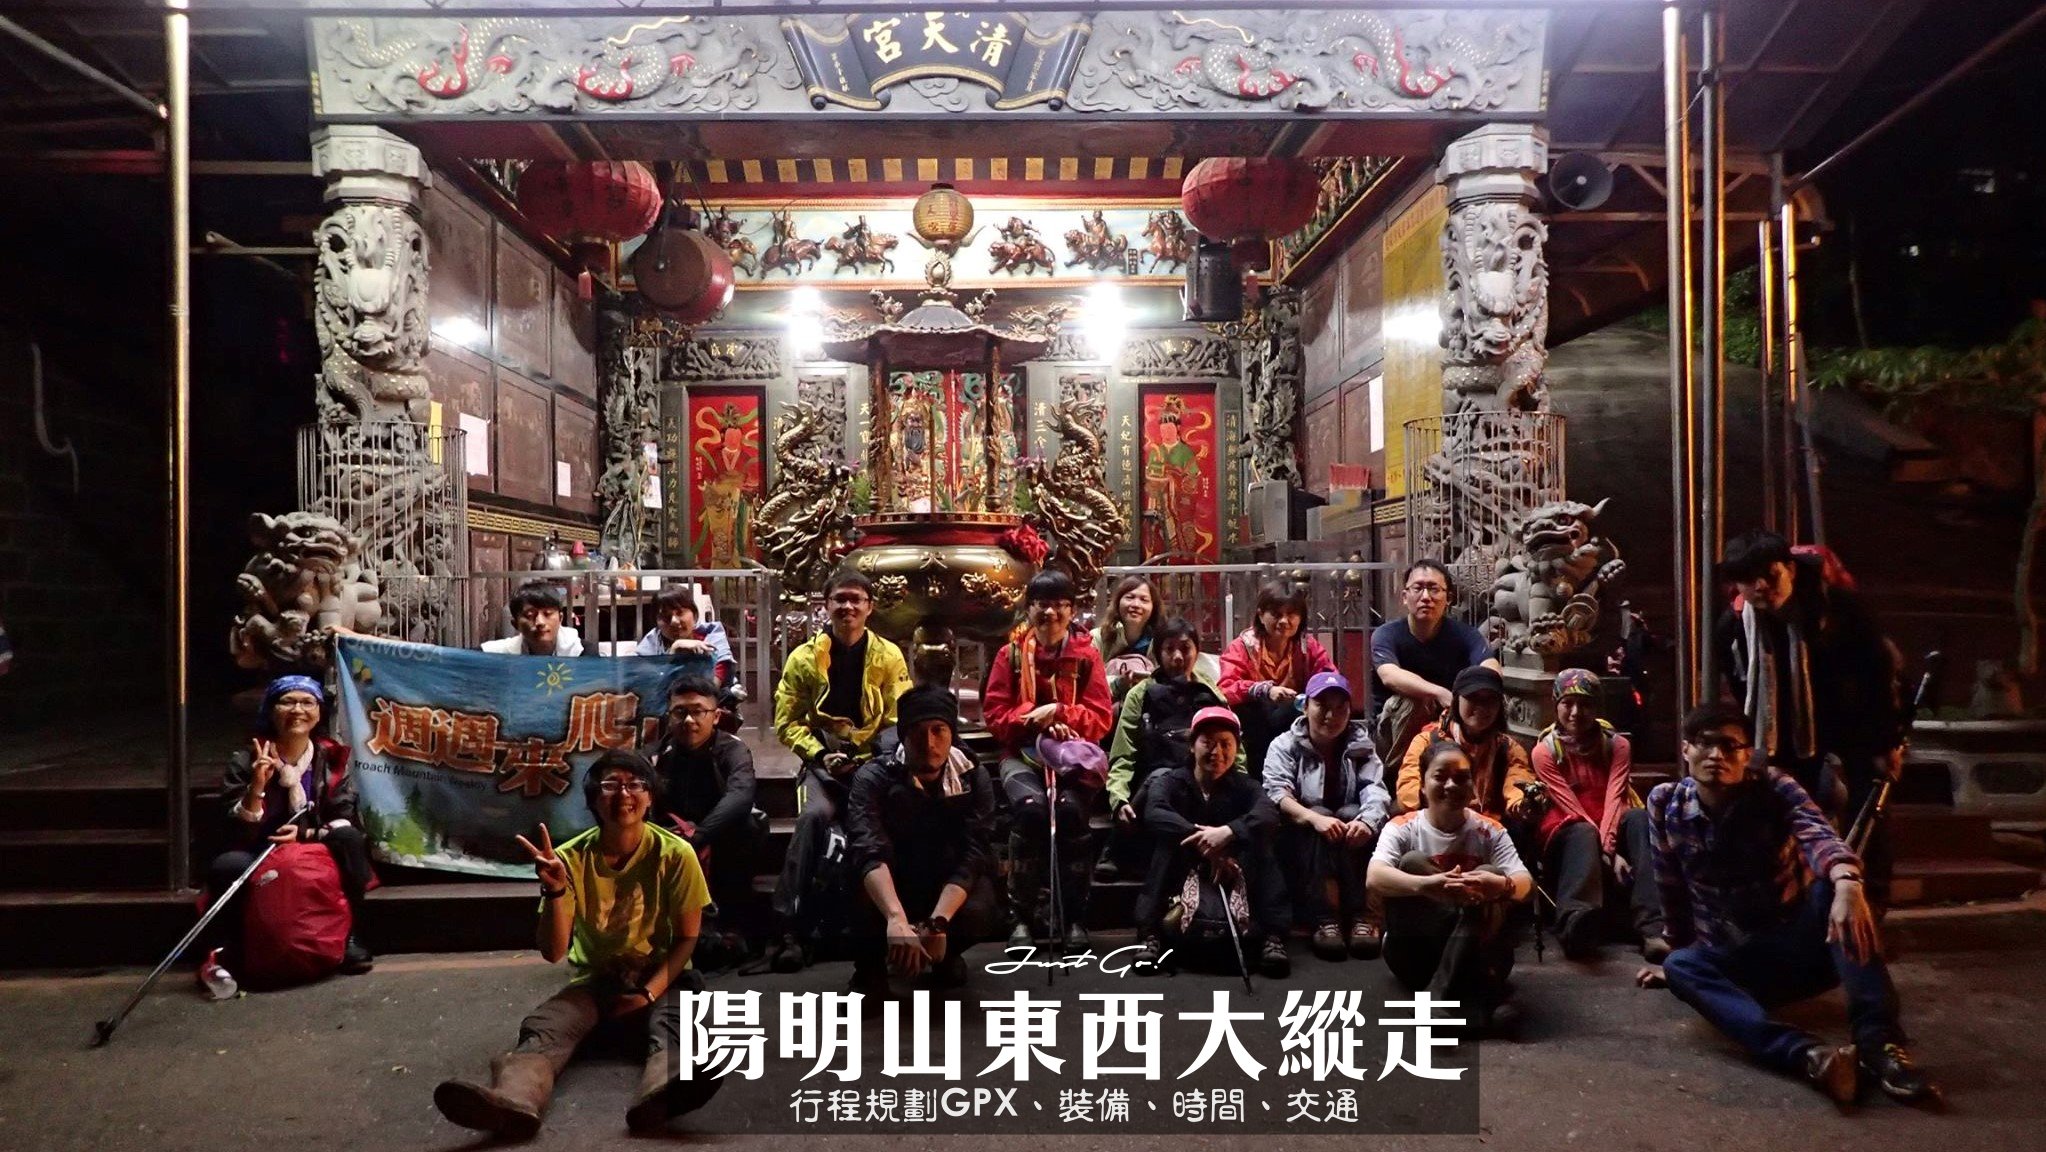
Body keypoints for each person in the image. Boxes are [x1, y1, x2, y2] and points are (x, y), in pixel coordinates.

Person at [1640, 703, 1937, 1105]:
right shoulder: (1665, 803)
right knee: (1680, 965)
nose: (1716, 756)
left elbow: (1819, 836)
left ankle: (1878, 1043)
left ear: (1747, 754)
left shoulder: (1774, 786)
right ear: (1686, 749)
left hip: (1801, 947)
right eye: (1704, 744)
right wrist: (1680, 965)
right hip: (1741, 961)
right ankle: (1808, 1056)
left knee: (1834, 890)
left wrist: (1848, 883)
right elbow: (1671, 888)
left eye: (1730, 746)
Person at [433, 750, 720, 1138]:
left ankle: (662, 1097)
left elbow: (687, 938)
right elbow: (553, 951)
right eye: (610, 785)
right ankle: (511, 1102)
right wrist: (554, 890)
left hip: (663, 980)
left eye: (635, 784)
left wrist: (647, 995)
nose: (624, 794)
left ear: (650, 796)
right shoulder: (568, 859)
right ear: (594, 799)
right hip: (598, 980)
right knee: (545, 1027)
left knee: (674, 1026)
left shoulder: (676, 854)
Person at [1714, 531, 1907, 907]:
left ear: (1790, 569)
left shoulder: (1837, 608)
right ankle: (1801, 906)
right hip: (1783, 736)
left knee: (1866, 816)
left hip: (1855, 727)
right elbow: (1740, 688)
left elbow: (1877, 673)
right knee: (1784, 817)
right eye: (1749, 579)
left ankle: (1869, 907)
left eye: (1770, 575)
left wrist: (1886, 740)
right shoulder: (1734, 627)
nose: (1761, 586)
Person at [768, 570, 912, 972]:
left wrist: (873, 757)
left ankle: (897, 921)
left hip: (873, 764)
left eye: (856, 599)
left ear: (870, 606)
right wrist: (820, 754)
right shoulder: (803, 659)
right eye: (840, 599)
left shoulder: (888, 656)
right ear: (826, 605)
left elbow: (898, 718)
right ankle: (788, 928)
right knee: (812, 818)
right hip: (822, 766)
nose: (848, 607)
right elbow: (787, 722)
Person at [208, 675, 375, 981]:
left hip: (313, 845)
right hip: (261, 847)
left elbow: (344, 814)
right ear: (271, 711)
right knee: (227, 865)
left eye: (307, 702)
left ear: (319, 713)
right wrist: (257, 784)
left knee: (349, 840)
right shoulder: (247, 759)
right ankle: (237, 946)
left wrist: (305, 835)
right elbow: (234, 828)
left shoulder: (331, 758)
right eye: (287, 702)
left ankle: (349, 936)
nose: (298, 710)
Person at [984, 569, 1115, 951]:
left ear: (1072, 610)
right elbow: (995, 716)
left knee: (1070, 812)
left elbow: (1100, 718)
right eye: (1042, 604)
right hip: (1021, 756)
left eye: (1060, 605)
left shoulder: (1086, 656)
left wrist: (1060, 714)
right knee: (1030, 811)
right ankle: (1021, 916)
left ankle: (1074, 916)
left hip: (1073, 758)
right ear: (1029, 609)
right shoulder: (1009, 655)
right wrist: (1034, 719)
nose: (1050, 613)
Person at [844, 685, 1002, 1001]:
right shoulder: (873, 777)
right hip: (893, 882)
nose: (929, 743)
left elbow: (975, 851)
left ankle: (941, 954)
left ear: (952, 734)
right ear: (903, 736)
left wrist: (937, 924)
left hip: (943, 882)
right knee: (852, 879)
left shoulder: (972, 777)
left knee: (982, 902)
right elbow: (869, 847)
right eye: (917, 732)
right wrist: (896, 919)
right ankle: (870, 969)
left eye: (938, 730)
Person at [1369, 739, 1532, 1032]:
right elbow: (1375, 877)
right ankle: (1481, 1009)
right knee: (1412, 862)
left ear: (1472, 786)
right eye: (1440, 776)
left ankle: (1438, 998)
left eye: (1461, 778)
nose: (1451, 786)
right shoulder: (1403, 827)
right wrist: (1425, 885)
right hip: (1415, 954)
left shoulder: (1489, 830)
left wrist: (1502, 885)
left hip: (1479, 953)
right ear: (1422, 785)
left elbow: (1527, 885)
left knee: (1489, 874)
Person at [1134, 706, 1290, 977]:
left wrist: (1228, 832)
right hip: (1184, 867)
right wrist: (1203, 841)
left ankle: (1272, 937)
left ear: (1236, 749)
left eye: (1225, 744)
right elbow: (1155, 812)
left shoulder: (1245, 786)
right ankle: (1150, 935)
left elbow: (1267, 814)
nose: (1216, 752)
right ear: (1192, 746)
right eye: (1207, 742)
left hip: (1233, 867)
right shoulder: (1171, 780)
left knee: (1261, 845)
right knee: (1166, 845)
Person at [1530, 669, 1667, 961]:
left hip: (1610, 823)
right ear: (1556, 705)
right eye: (1568, 703)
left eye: (1585, 704)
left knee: (1639, 819)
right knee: (1583, 830)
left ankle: (1652, 927)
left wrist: (1608, 847)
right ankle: (1575, 919)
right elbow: (1571, 807)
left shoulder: (1617, 745)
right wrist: (1608, 852)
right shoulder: (1544, 751)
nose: (1576, 712)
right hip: (1568, 830)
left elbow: (1615, 797)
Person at [1262, 670, 1391, 962]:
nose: (1331, 716)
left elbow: (1375, 789)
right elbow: (1277, 794)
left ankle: (1360, 916)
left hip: (1346, 835)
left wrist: (1366, 822)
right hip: (1300, 838)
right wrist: (1313, 819)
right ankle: (1324, 918)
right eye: (1322, 706)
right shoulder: (1283, 745)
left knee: (1353, 814)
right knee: (1319, 814)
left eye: (1340, 708)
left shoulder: (1361, 745)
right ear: (1305, 706)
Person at [1103, 616, 1238, 881]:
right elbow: (1123, 753)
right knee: (1162, 779)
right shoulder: (1141, 694)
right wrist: (1118, 798)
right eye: (1169, 649)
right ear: (1158, 652)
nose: (1177, 657)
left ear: (1196, 651)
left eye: (1185, 649)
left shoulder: (1211, 694)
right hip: (1156, 783)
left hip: (1206, 780)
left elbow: (1234, 747)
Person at [651, 674, 762, 942]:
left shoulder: (733, 749)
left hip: (718, 831)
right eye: (680, 712)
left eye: (698, 711)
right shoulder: (657, 753)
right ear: (670, 716)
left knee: (747, 825)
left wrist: (699, 836)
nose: (689, 720)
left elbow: (740, 795)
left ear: (716, 716)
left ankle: (733, 927)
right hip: (675, 834)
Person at [1369, 559, 1497, 766]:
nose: (1426, 597)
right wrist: (1439, 693)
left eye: (1434, 589)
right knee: (1412, 701)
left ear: (1449, 598)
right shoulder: (1386, 634)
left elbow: (1490, 668)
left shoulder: (1465, 635)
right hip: (1394, 731)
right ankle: (1396, 775)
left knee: (1487, 694)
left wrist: (1466, 697)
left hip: (1450, 719)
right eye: (1418, 588)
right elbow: (1389, 675)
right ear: (1405, 596)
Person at [1218, 579, 1336, 776]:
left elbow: (1329, 679)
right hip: (1254, 727)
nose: (1284, 621)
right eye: (1276, 614)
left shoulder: (1308, 646)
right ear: (1260, 615)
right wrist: (1264, 690)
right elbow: (1225, 688)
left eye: (1291, 614)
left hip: (1296, 722)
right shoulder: (1242, 647)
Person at [1394, 666, 1535, 822]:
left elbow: (1518, 781)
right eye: (1472, 697)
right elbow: (1408, 791)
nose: (1481, 707)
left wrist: (1522, 803)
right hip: (1438, 822)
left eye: (1490, 699)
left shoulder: (1508, 748)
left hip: (1489, 827)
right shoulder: (1426, 742)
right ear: (1456, 701)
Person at [635, 586, 737, 688]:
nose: (674, 621)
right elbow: (647, 690)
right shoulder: (650, 646)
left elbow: (709, 691)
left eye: (680, 613)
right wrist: (674, 651)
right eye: (665, 616)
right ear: (656, 622)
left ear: (695, 615)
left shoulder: (712, 639)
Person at [1095, 574, 1163, 706]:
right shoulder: (1098, 637)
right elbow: (1089, 683)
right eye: (1130, 597)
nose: (1136, 604)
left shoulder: (1160, 640)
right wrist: (1118, 683)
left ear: (1153, 607)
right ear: (1118, 602)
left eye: (1144, 600)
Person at [482, 581, 586, 656]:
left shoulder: (582, 653)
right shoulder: (506, 653)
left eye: (547, 614)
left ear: (560, 618)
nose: (540, 622)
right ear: (515, 624)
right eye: (529, 615)